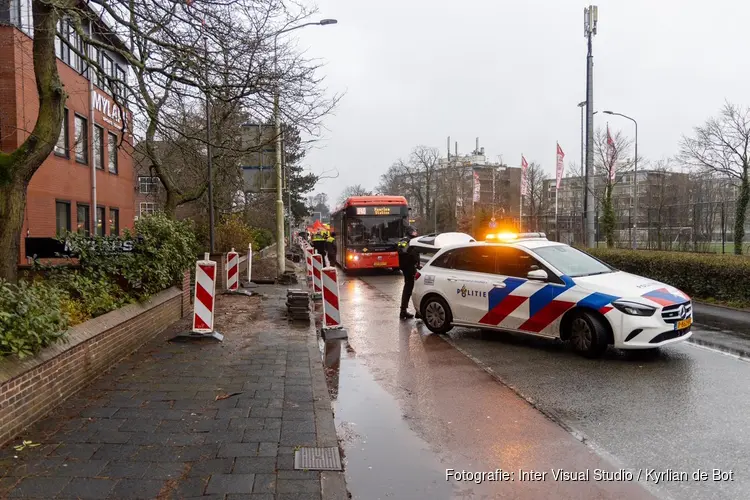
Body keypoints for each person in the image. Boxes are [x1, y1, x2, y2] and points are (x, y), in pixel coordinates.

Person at [397, 226, 419, 320]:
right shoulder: (405, 240)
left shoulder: (413, 240)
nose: (415, 233)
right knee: (409, 288)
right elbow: (401, 249)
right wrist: (410, 250)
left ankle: (407, 311)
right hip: (408, 267)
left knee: (411, 288)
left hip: (412, 266)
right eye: (414, 232)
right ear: (410, 232)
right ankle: (403, 311)